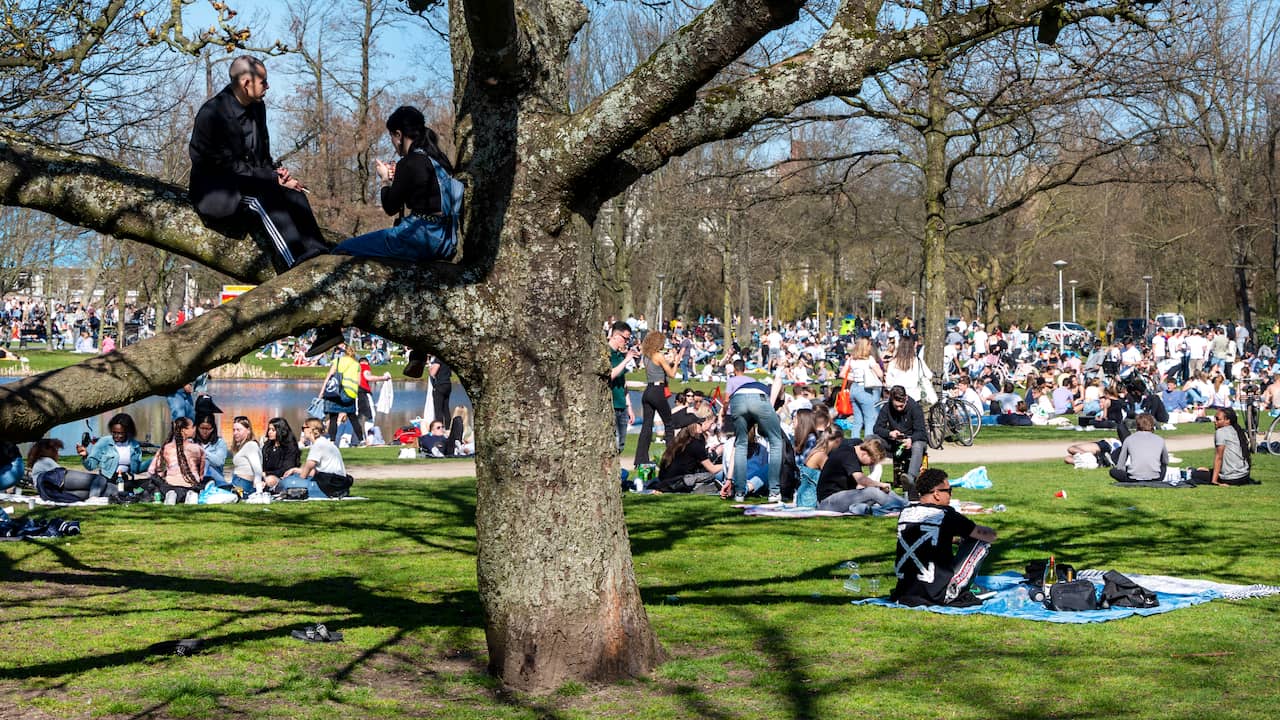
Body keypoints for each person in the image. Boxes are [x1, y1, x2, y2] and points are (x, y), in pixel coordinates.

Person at [188, 55, 342, 356]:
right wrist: (270, 179)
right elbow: (226, 167)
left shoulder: (257, 108)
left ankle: (317, 259)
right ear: (246, 83)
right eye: (263, 81)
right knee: (264, 201)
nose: (268, 86)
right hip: (218, 192)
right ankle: (299, 274)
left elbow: (260, 157)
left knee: (296, 195)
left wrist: (278, 174)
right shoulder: (213, 114)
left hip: (250, 180)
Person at [334, 106, 459, 262]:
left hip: (419, 237)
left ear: (399, 135)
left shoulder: (409, 162)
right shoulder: (440, 161)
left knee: (342, 248)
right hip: (447, 240)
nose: (392, 142)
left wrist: (384, 179)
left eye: (391, 136)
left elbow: (390, 207)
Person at [890, 468, 997, 607]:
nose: (950, 496)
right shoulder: (945, 514)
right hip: (937, 594)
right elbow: (988, 535)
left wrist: (954, 539)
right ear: (936, 494)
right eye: (949, 491)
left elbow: (923, 537)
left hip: (905, 592)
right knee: (980, 542)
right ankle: (956, 589)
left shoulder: (906, 511)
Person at [726, 358, 785, 503]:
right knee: (776, 441)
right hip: (758, 399)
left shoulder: (755, 385)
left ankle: (739, 492)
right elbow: (778, 381)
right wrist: (771, 405)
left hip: (737, 399)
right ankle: (774, 491)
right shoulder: (770, 391)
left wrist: (728, 478)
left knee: (740, 443)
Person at [633, 331, 682, 467]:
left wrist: (669, 362)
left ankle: (640, 459)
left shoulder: (646, 356)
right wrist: (676, 362)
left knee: (646, 426)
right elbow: (671, 374)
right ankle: (671, 458)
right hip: (657, 391)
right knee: (669, 424)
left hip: (648, 391)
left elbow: (659, 369)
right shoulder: (659, 355)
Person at [815, 435, 901, 514]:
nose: (870, 465)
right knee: (872, 491)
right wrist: (880, 484)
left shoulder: (852, 453)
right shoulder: (848, 455)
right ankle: (897, 507)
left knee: (876, 492)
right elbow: (861, 480)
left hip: (840, 498)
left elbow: (857, 487)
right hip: (827, 502)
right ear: (864, 454)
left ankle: (903, 504)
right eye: (872, 461)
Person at [648, 411, 724, 494]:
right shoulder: (696, 443)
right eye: (699, 423)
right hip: (680, 481)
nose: (701, 425)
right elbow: (712, 469)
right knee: (713, 475)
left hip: (665, 480)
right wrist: (729, 465)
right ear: (693, 426)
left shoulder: (678, 441)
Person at [873, 385, 928, 497]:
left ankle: (910, 479)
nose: (899, 408)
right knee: (871, 439)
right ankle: (874, 479)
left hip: (913, 441)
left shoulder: (915, 407)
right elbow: (877, 428)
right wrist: (889, 433)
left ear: (906, 398)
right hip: (894, 442)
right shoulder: (887, 407)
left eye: (901, 406)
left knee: (917, 445)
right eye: (896, 406)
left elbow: (922, 432)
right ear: (891, 400)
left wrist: (911, 439)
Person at [76, 413, 147, 497]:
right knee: (109, 492)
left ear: (128, 431)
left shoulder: (134, 445)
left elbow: (136, 469)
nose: (117, 436)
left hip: (124, 480)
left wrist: (153, 461)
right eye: (114, 432)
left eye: (121, 433)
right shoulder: (103, 442)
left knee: (144, 487)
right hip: (106, 479)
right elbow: (91, 466)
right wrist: (85, 456)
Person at [279, 418, 353, 499]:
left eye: (303, 428)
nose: (303, 432)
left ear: (311, 430)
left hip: (330, 482)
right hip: (338, 481)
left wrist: (299, 479)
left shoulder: (318, 445)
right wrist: (295, 470)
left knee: (289, 482)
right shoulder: (326, 443)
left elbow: (309, 467)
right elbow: (318, 471)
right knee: (295, 476)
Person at [1187, 408, 1257, 486]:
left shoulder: (1220, 432)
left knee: (1193, 474)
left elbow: (1219, 457)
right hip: (1244, 476)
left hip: (1231, 478)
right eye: (1214, 418)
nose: (1215, 421)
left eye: (1218, 419)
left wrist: (1214, 481)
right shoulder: (1237, 431)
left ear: (1227, 420)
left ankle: (1195, 472)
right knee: (1202, 470)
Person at [148, 417, 207, 504]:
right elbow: (202, 474)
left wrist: (162, 475)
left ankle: (171, 494)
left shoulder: (165, 448)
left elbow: (152, 470)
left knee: (157, 481)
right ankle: (191, 495)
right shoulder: (198, 448)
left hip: (170, 485)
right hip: (191, 485)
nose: (195, 429)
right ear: (184, 430)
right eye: (192, 427)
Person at [841, 337, 885, 439]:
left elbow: (843, 374)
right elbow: (880, 373)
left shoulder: (851, 359)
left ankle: (854, 443)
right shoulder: (869, 359)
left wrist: (855, 377)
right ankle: (868, 444)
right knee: (870, 419)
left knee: (857, 420)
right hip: (866, 390)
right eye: (869, 345)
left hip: (854, 388)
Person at [607, 321, 639, 453]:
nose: (626, 341)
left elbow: (623, 382)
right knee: (612, 444)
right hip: (611, 405)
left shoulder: (620, 356)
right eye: (625, 338)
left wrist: (629, 407)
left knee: (621, 445)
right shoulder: (606, 353)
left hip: (622, 406)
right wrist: (627, 360)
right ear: (616, 336)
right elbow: (609, 376)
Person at [320, 344, 362, 444]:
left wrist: (322, 391)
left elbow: (329, 375)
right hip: (350, 393)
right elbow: (359, 382)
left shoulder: (338, 361)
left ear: (344, 352)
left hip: (336, 392)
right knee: (353, 418)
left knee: (333, 417)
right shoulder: (357, 365)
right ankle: (361, 440)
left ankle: (332, 440)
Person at [1109, 413, 1169, 483]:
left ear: (1137, 424)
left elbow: (1120, 465)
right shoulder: (1160, 439)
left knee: (1113, 471)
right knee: (1163, 466)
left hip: (1134, 478)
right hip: (1156, 477)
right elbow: (1165, 461)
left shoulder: (1129, 439)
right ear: (1152, 424)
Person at [356, 355, 392, 446]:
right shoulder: (364, 366)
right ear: (366, 362)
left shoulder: (355, 368)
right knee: (370, 416)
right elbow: (368, 377)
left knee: (358, 417)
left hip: (354, 394)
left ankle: (359, 439)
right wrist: (383, 378)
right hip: (363, 394)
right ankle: (370, 439)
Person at [227, 415, 264, 496]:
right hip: (238, 482)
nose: (235, 433)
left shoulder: (251, 445)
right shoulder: (242, 446)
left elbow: (257, 470)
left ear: (248, 430)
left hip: (243, 484)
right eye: (234, 430)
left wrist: (259, 490)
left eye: (238, 430)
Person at [195, 414, 228, 485]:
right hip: (196, 480)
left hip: (216, 480)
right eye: (202, 428)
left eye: (207, 429)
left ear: (212, 429)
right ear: (197, 428)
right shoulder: (192, 442)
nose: (204, 432)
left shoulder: (220, 442)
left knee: (206, 461)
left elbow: (219, 462)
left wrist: (202, 452)